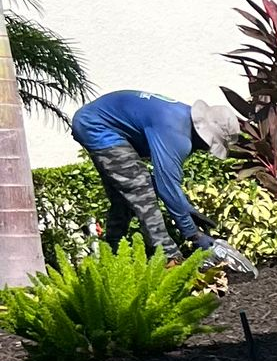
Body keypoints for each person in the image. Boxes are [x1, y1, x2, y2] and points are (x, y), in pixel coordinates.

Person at [69, 90, 255, 275]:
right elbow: (166, 188)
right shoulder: (176, 135)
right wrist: (193, 235)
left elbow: (168, 184)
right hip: (97, 127)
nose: (206, 150)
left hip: (97, 121)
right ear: (204, 133)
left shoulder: (182, 121)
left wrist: (186, 208)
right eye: (210, 144)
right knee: (141, 191)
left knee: (123, 200)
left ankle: (109, 259)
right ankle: (169, 259)